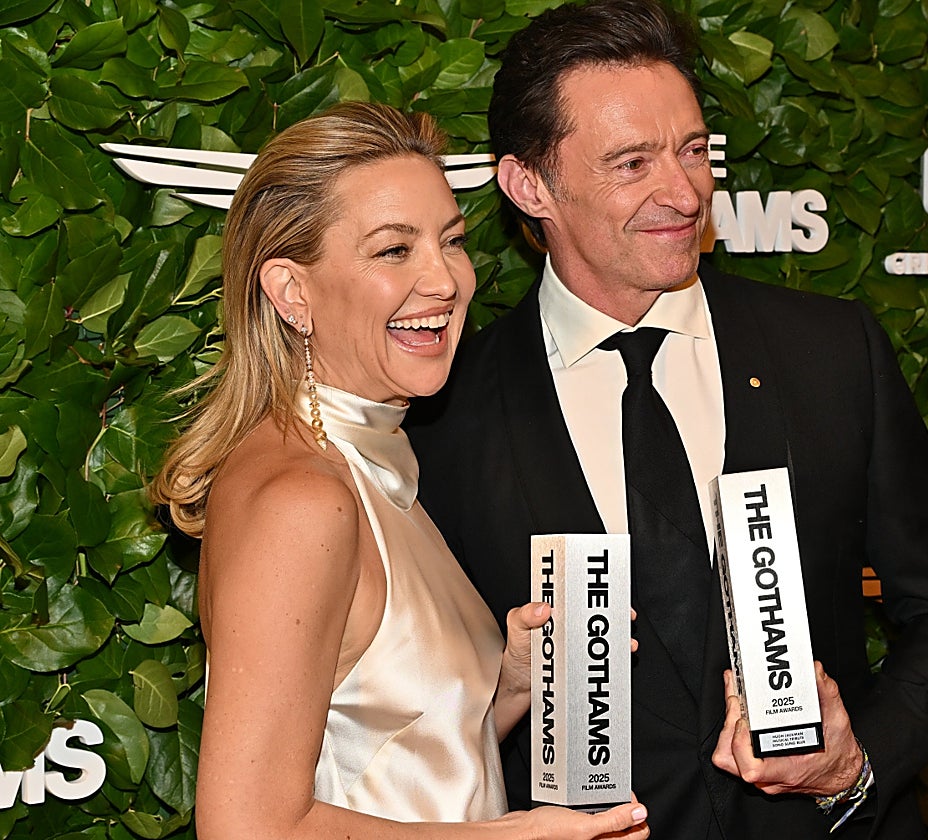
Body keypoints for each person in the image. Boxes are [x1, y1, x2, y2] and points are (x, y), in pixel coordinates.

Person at [405, 2, 928, 838]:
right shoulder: (443, 412)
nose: (683, 193)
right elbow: (414, 710)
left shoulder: (829, 352)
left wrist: (855, 765)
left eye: (693, 151)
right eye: (632, 163)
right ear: (528, 185)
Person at [149, 102, 650, 840]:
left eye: (451, 241)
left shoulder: (372, 457)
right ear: (291, 292)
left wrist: (509, 682)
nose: (444, 280)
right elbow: (249, 827)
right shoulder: (303, 498)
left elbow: (390, 753)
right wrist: (515, 838)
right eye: (393, 250)